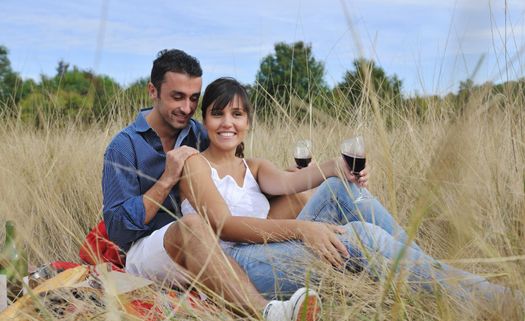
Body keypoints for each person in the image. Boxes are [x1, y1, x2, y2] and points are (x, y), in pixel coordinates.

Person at [180, 77, 511, 302]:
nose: (228, 123)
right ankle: (489, 299)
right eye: (217, 114)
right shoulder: (195, 164)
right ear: (204, 120)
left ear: (248, 121)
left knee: (339, 187)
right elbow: (227, 227)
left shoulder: (253, 166)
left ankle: (429, 269)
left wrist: (339, 166)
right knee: (360, 237)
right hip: (238, 266)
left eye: (237, 114)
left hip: (274, 249)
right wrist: (302, 229)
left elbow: (296, 181)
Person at [101, 49, 320, 321]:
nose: (187, 107)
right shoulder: (124, 147)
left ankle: (332, 254)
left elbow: (235, 177)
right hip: (150, 250)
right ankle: (267, 316)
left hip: (207, 245)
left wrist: (294, 177)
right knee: (192, 225)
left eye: (194, 98)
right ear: (153, 91)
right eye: (177, 96)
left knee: (291, 199)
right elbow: (117, 229)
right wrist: (167, 179)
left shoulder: (199, 132)